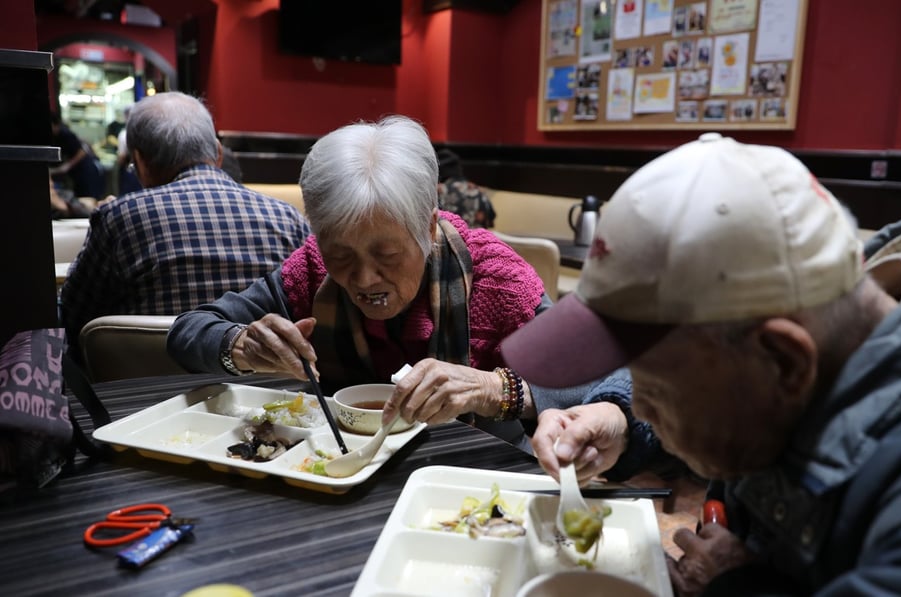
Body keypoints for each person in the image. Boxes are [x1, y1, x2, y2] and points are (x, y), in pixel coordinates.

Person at [501, 132, 901, 594]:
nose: (640, 402)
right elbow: (726, 393)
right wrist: (625, 424)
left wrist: (739, 585)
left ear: (785, 360)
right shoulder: (834, 332)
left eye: (654, 389)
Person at [167, 115, 624, 451]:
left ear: (427, 230)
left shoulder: (494, 278)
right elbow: (188, 332)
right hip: (343, 471)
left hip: (475, 474)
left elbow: (602, 375)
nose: (363, 278)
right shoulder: (311, 270)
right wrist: (240, 345)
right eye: (341, 254)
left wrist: (491, 389)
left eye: (387, 254)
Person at [59, 91, 311, 362]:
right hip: (270, 394)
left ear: (140, 162)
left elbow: (71, 319)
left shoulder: (118, 218)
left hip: (143, 394)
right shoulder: (289, 218)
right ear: (217, 152)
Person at [436, 148, 496, 229]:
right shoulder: (479, 191)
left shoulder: (439, 191)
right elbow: (491, 218)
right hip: (477, 240)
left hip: (450, 240)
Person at [50, 113, 105, 200]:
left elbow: (82, 152)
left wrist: (66, 166)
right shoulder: (56, 136)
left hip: (86, 171)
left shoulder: (65, 133)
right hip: (78, 173)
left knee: (89, 198)